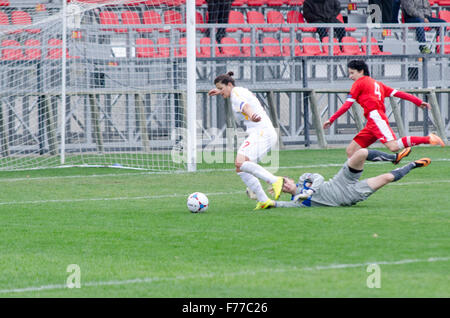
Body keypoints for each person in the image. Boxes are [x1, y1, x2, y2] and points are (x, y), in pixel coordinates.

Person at [323, 60, 445, 159]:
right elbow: (399, 93)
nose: (350, 76)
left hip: (376, 118)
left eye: (352, 73)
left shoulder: (359, 83)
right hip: (372, 121)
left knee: (393, 146)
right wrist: (418, 101)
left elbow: (347, 105)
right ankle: (353, 180)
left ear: (361, 71)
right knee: (351, 151)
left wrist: (331, 119)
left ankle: (428, 139)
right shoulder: (378, 84)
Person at [208, 71, 284, 210]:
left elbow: (245, 106)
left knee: (240, 162)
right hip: (260, 132)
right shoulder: (236, 91)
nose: (220, 91)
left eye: (221, 88)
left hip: (261, 132)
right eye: (218, 89)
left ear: (229, 85)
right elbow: (233, 92)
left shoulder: (236, 94)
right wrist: (219, 91)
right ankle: (264, 200)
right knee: (241, 168)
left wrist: (251, 115)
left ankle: (276, 180)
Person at [259, 148, 431, 209]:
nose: (286, 186)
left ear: (289, 179)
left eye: (285, 182)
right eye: (282, 188)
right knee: (386, 178)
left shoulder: (305, 178)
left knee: (361, 153)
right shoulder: (297, 202)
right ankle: (412, 165)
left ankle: (394, 158)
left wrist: (309, 190)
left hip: (340, 180)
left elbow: (318, 177)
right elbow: (279, 204)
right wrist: (263, 199)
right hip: (349, 196)